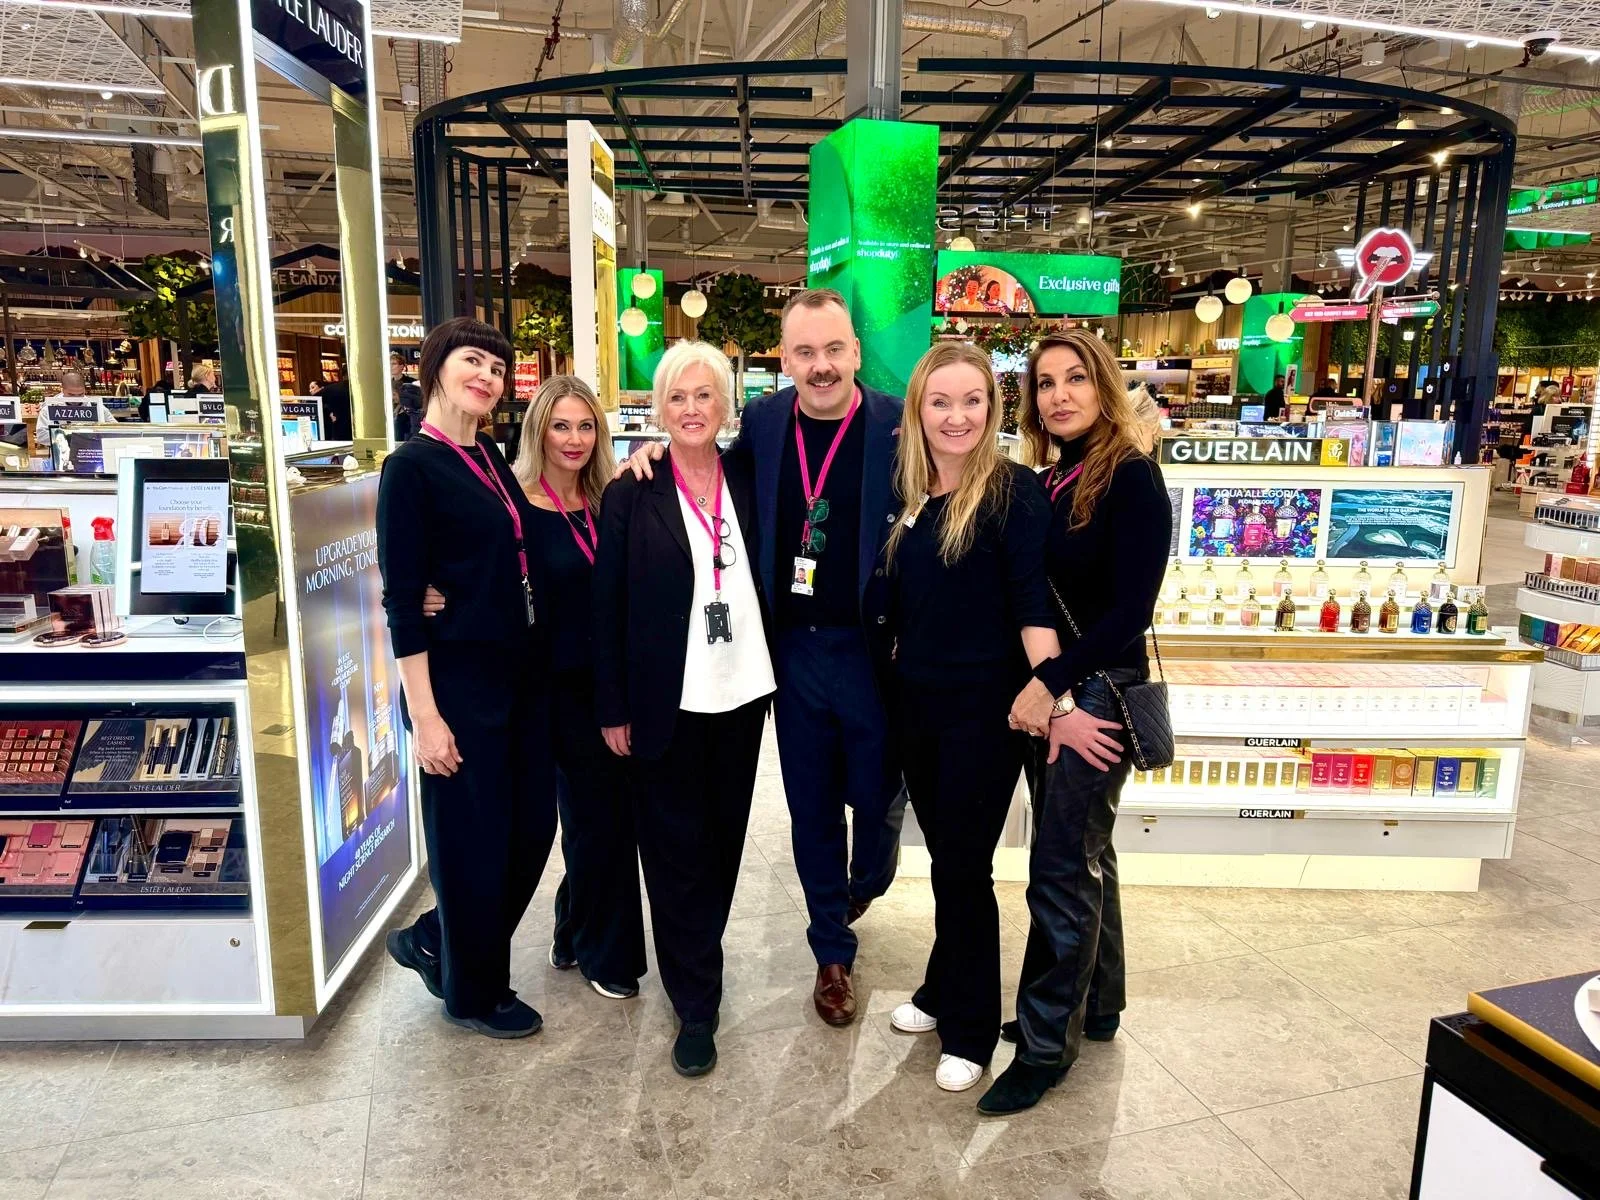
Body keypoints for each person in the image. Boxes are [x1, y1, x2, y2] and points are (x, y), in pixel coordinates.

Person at [619, 289, 906, 1029]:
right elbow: (701, 462)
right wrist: (655, 451)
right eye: (804, 352)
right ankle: (832, 955)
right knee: (810, 809)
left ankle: (869, 874)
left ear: (855, 352)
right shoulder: (767, 425)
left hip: (874, 652)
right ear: (785, 358)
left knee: (875, 801)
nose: (819, 366)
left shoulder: (895, 423)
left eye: (833, 349)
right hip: (794, 653)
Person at [982, 328, 1171, 1115]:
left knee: (1060, 870)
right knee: (1089, 856)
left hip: (1094, 695)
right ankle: (1096, 1004)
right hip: (1065, 694)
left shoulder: (1132, 479)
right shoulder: (1056, 477)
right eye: (1045, 383)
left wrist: (1050, 683)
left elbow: (1131, 610)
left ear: (1106, 387)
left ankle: (1044, 1045)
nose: (1059, 395)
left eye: (1075, 379)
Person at [867, 341, 1060, 1095]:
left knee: (963, 869)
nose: (957, 416)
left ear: (994, 407)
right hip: (917, 706)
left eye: (971, 400)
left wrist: (1051, 692)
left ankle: (973, 1030)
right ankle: (939, 992)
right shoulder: (912, 493)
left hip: (984, 713)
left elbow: (1031, 605)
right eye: (940, 401)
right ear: (918, 409)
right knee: (945, 859)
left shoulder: (1012, 492)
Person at [592, 340, 775, 1077]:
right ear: (658, 408)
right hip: (665, 700)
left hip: (742, 693)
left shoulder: (753, 476)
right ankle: (696, 1005)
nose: (692, 409)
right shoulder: (631, 491)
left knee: (722, 850)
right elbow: (607, 608)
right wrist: (613, 704)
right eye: (678, 397)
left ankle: (700, 959)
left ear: (725, 405)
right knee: (673, 856)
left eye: (705, 396)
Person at [377, 317, 556, 1039]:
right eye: (471, 361)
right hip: (454, 684)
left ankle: (434, 937)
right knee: (472, 842)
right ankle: (475, 992)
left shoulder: (486, 456)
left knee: (530, 829)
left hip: (513, 675)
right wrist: (426, 715)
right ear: (436, 369)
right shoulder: (412, 467)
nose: (486, 375)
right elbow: (401, 597)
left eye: (496, 365)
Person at [510, 377, 645, 999]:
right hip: (543, 690)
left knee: (603, 821)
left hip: (607, 687)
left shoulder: (609, 499)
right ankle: (604, 953)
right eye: (561, 426)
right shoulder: (514, 502)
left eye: (586, 426)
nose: (574, 439)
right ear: (539, 429)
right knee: (591, 824)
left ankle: (575, 932)